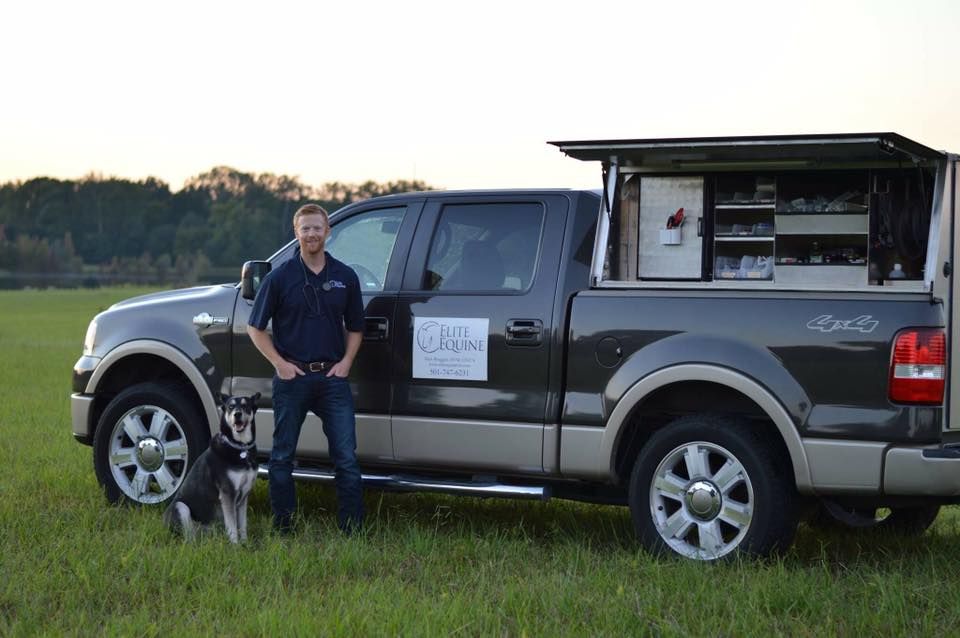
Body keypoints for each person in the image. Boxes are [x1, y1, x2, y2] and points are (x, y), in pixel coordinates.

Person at [246, 203, 365, 534]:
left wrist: (346, 363)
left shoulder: (345, 277)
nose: (312, 234)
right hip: (292, 378)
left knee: (346, 457)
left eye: (317, 228)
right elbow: (255, 328)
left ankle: (353, 529)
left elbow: (356, 327)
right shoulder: (279, 277)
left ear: (328, 231)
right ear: (296, 233)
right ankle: (284, 526)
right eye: (305, 228)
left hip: (332, 379)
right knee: (282, 456)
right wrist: (279, 364)